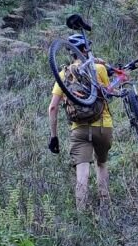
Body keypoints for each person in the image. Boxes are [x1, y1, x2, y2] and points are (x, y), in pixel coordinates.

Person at [48, 33, 113, 212]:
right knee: (101, 164)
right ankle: (105, 207)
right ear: (86, 49)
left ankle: (81, 215)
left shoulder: (63, 74)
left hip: (79, 129)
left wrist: (54, 137)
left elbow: (52, 108)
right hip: (103, 126)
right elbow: (107, 93)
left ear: (71, 52)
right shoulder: (98, 68)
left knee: (81, 174)